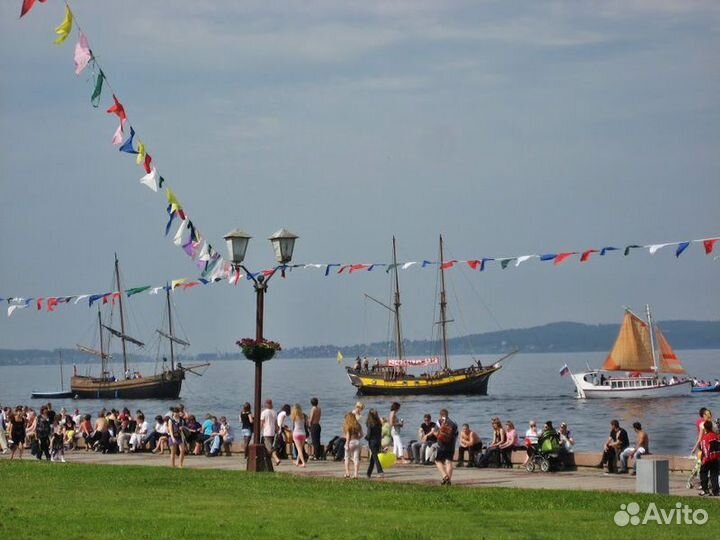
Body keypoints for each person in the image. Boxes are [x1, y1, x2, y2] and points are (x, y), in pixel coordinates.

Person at [435, 409, 458, 485]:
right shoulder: (454, 423)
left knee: (438, 461)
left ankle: (445, 476)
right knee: (448, 462)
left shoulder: (439, 422)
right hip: (451, 445)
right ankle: (448, 480)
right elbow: (456, 434)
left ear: (441, 415)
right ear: (447, 414)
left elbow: (436, 434)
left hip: (441, 445)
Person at [698, 420, 720, 496]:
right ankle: (715, 491)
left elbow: (704, 448)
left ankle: (705, 490)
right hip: (716, 458)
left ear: (705, 428)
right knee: (714, 475)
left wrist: (704, 459)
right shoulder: (716, 436)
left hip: (708, 458)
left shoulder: (705, 438)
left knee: (703, 473)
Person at [260, 399, 280, 466]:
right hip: (272, 432)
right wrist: (277, 431)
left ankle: (276, 459)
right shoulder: (274, 412)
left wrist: (259, 430)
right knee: (271, 446)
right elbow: (276, 424)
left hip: (266, 432)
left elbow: (262, 423)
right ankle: (270, 460)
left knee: (269, 447)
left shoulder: (264, 412)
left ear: (266, 404)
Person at [343, 412, 363, 479]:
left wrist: (347, 444)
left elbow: (348, 436)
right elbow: (362, 434)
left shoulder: (348, 425)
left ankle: (347, 473)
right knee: (356, 458)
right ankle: (356, 474)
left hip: (350, 442)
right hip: (357, 442)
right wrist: (357, 438)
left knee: (347, 458)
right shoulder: (358, 425)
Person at [365, 409, 384, 479]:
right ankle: (368, 473)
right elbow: (380, 434)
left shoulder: (370, 423)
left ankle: (380, 471)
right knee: (373, 458)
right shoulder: (379, 423)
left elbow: (369, 434)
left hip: (372, 442)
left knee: (375, 457)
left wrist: (366, 438)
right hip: (378, 441)